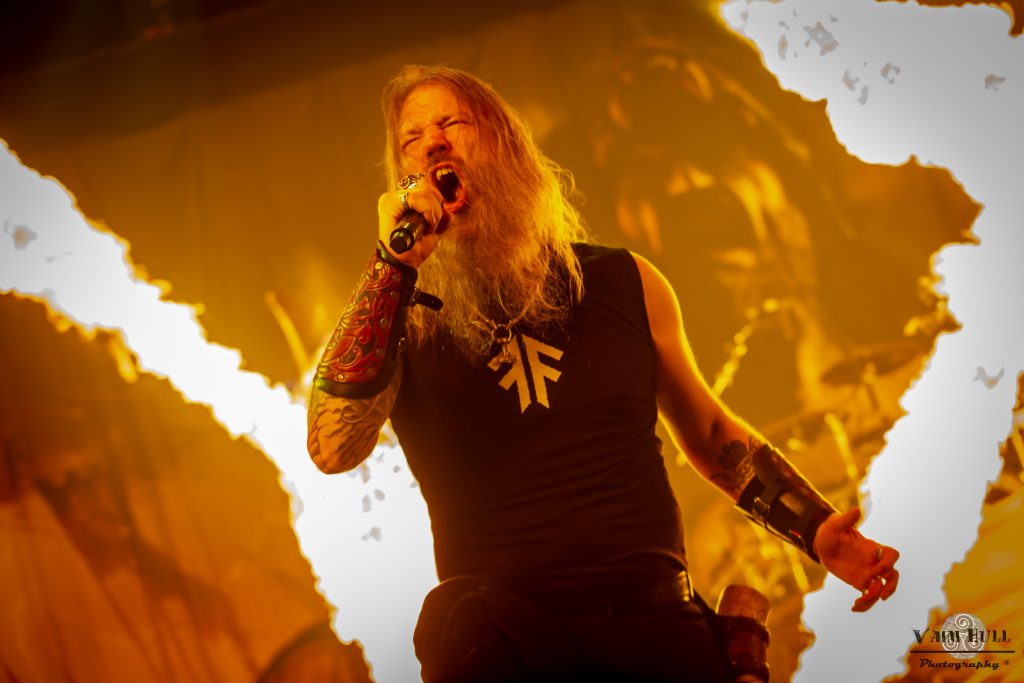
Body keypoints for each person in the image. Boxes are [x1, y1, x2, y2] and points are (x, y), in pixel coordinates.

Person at [306, 65, 900, 683]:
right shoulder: (396, 320)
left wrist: (817, 530)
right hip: (508, 648)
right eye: (412, 138)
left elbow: (709, 431)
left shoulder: (623, 281)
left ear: (506, 145)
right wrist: (392, 266)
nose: (433, 143)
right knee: (454, 615)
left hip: (657, 627)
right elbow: (330, 448)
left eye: (453, 123)